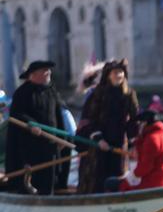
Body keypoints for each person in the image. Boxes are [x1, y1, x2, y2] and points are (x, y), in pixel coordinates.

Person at [3, 61, 67, 195]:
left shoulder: (51, 91)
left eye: (49, 70)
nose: (48, 72)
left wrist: (62, 138)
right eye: (45, 70)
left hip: (50, 144)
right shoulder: (22, 93)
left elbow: (58, 116)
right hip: (30, 145)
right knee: (32, 176)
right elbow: (18, 115)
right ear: (33, 75)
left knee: (49, 176)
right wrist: (32, 125)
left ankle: (48, 198)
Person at [77, 59, 140, 193]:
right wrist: (99, 139)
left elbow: (134, 121)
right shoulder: (97, 94)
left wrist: (134, 143)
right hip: (99, 143)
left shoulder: (129, 94)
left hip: (119, 143)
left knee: (118, 175)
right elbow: (89, 119)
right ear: (108, 75)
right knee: (97, 176)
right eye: (115, 72)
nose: (118, 75)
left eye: (121, 72)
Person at [114, 110, 163, 192]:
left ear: (145, 123)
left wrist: (131, 176)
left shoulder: (151, 139)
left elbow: (145, 167)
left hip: (151, 183)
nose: (138, 126)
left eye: (140, 123)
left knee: (112, 183)